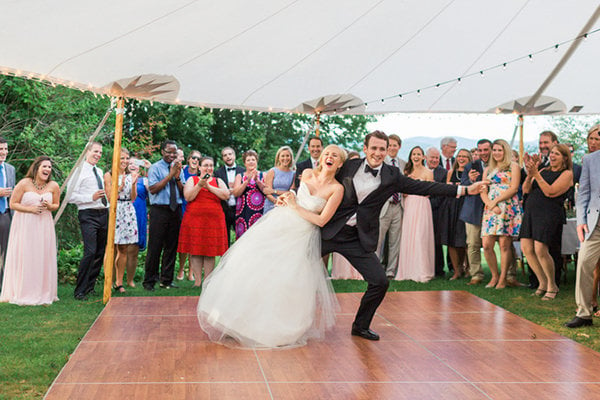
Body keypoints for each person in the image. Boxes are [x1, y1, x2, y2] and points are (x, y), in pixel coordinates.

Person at [321, 131, 486, 341]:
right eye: (374, 148)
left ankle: (360, 326)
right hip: (329, 230)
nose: (378, 153)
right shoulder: (348, 166)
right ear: (365, 148)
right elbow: (321, 180)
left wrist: (464, 190)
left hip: (357, 237)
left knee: (380, 282)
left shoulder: (392, 175)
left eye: (382, 149)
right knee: (296, 268)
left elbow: (425, 186)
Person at [198, 145, 346, 348]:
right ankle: (233, 319)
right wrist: (287, 198)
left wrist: (295, 206)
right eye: (327, 154)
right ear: (321, 158)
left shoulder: (337, 189)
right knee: (252, 264)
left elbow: (321, 220)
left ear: (340, 163)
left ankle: (271, 326)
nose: (329, 157)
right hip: (279, 221)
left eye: (335, 156)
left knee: (284, 278)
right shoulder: (308, 173)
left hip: (301, 234)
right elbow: (295, 194)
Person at [0, 156, 59, 305]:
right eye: (44, 166)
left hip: (44, 225)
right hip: (25, 225)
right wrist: (30, 209)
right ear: (36, 168)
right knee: (26, 255)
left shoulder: (53, 186)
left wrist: (49, 206)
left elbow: (56, 205)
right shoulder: (24, 183)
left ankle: (43, 291)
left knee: (42, 255)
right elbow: (13, 204)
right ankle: (23, 291)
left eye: (49, 167)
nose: (47, 169)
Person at [520, 144, 572, 300]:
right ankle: (542, 282)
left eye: (556, 153)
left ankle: (552, 285)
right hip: (531, 212)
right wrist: (530, 174)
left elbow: (550, 192)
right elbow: (526, 190)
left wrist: (536, 174)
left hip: (549, 213)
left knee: (540, 248)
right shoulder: (543, 171)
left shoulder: (567, 174)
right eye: (551, 153)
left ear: (564, 157)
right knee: (527, 248)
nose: (552, 156)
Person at [178, 157, 229, 287]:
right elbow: (188, 196)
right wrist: (200, 185)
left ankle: (207, 280)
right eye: (206, 165)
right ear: (199, 167)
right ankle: (197, 281)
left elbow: (226, 195)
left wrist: (208, 187)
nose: (209, 168)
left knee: (209, 251)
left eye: (211, 165)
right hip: (195, 220)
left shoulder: (218, 180)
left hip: (213, 221)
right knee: (195, 250)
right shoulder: (192, 180)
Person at [565, 143, 600, 328]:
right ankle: (584, 314)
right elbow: (584, 192)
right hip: (595, 224)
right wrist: (580, 221)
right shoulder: (590, 159)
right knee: (584, 263)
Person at [143, 140, 185, 291]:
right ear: (162, 152)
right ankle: (149, 281)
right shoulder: (155, 168)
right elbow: (153, 189)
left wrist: (178, 177)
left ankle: (166, 280)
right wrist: (170, 175)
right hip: (159, 210)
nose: (172, 155)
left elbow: (183, 192)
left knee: (171, 246)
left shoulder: (178, 167)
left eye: (174, 152)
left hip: (175, 209)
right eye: (169, 152)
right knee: (155, 246)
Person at [480, 139, 522, 289]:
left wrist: (496, 202)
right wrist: (491, 205)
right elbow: (482, 190)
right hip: (491, 209)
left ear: (506, 151)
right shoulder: (488, 169)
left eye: (500, 150)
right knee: (486, 244)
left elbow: (514, 188)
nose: (497, 153)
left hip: (507, 207)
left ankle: (503, 278)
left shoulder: (514, 166)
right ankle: (494, 276)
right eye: (495, 150)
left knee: (505, 244)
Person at [68, 142, 108, 300]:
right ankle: (80, 290)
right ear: (87, 151)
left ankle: (90, 286)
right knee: (90, 252)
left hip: (103, 213)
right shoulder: (78, 172)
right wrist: (90, 198)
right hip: (88, 214)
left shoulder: (99, 171)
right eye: (95, 151)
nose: (98, 154)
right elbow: (70, 196)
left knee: (100, 252)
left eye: (100, 152)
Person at [395, 146, 435, 282]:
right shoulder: (407, 171)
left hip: (422, 205)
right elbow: (403, 192)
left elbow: (430, 191)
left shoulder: (428, 172)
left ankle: (422, 271)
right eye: (414, 154)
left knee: (420, 236)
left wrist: (416, 184)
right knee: (408, 235)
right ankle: (407, 271)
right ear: (411, 156)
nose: (416, 156)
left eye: (419, 154)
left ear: (423, 157)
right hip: (409, 205)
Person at [104, 148, 138, 293]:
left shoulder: (130, 175)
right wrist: (121, 186)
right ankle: (108, 280)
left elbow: (133, 197)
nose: (124, 161)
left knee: (124, 248)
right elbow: (109, 197)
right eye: (121, 158)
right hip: (115, 210)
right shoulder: (109, 175)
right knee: (111, 246)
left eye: (126, 158)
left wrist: (134, 183)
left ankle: (119, 282)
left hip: (127, 209)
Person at [460, 139, 492, 285]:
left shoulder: (498, 165)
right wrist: (470, 181)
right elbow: (463, 187)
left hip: (493, 209)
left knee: (503, 243)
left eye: (486, 150)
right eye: (480, 150)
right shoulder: (470, 167)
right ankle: (476, 274)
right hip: (473, 210)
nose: (483, 153)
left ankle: (509, 274)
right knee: (472, 244)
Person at [376, 134, 406, 278]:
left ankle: (390, 271)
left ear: (399, 147)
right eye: (390, 145)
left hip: (398, 206)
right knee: (378, 241)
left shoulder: (404, 164)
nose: (392, 148)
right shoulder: (381, 162)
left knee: (395, 241)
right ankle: (374, 269)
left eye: (395, 145)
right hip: (384, 206)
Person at [441, 148, 472, 280]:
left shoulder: (472, 173)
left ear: (469, 158)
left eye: (465, 156)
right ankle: (456, 270)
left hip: (466, 207)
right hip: (451, 207)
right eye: (459, 156)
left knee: (465, 240)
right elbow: (447, 190)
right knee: (451, 240)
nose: (461, 158)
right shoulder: (450, 172)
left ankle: (469, 268)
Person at [177, 150, 201, 281]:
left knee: (194, 242)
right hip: (182, 207)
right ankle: (180, 270)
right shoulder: (182, 171)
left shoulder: (201, 174)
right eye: (193, 157)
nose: (195, 160)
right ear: (188, 159)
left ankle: (191, 272)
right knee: (183, 242)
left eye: (198, 159)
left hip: (195, 209)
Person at [213, 147, 244, 245]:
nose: (228, 157)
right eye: (225, 155)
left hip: (239, 209)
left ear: (234, 156)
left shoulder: (242, 171)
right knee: (224, 239)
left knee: (241, 238)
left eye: (230, 154)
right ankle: (225, 260)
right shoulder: (217, 173)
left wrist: (235, 189)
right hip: (224, 209)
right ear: (222, 158)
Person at [426, 147, 449, 277]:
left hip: (437, 211)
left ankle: (438, 270)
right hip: (420, 210)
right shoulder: (420, 170)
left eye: (436, 158)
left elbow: (443, 193)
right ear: (426, 158)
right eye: (432, 157)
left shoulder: (443, 173)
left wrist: (430, 204)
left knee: (436, 241)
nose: (434, 160)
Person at [232, 150, 266, 238]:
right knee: (244, 236)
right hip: (243, 212)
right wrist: (247, 181)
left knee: (259, 236)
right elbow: (236, 193)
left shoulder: (264, 174)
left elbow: (267, 191)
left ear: (256, 161)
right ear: (244, 163)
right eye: (248, 160)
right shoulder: (239, 176)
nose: (251, 162)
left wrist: (257, 181)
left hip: (260, 211)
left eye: (253, 159)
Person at [129, 157, 150, 287]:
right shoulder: (122, 178)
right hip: (124, 212)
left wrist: (148, 168)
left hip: (139, 213)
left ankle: (130, 279)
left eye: (135, 164)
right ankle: (117, 279)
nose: (132, 165)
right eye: (130, 163)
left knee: (134, 249)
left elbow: (152, 190)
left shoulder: (144, 180)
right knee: (122, 248)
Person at [0, 137, 16, 286]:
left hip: (5, 214)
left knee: (6, 251)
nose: (4, 152)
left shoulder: (10, 169)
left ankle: (4, 285)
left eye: (5, 149)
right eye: (1, 149)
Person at [263, 146, 295, 214]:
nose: (285, 158)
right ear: (278, 158)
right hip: (271, 205)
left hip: (286, 205)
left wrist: (274, 191)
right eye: (282, 156)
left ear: (291, 157)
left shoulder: (293, 174)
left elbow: (291, 193)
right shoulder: (272, 171)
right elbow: (267, 193)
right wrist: (276, 201)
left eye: (287, 156)